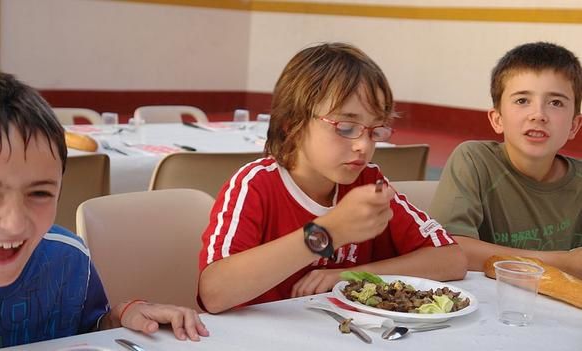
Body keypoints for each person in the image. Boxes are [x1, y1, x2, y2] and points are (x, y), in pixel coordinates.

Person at [198, 42, 467, 314]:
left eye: (375, 130)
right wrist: (326, 234)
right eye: (347, 127)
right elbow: (214, 292)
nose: (364, 145)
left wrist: (351, 275)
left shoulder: (368, 181)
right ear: (292, 124)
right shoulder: (255, 185)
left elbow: (451, 259)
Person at [0, 71, 209, 349]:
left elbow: (86, 329)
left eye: (39, 193)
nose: (15, 224)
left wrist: (118, 319)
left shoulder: (67, 261)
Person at [428, 42, 582, 278]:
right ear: (497, 118)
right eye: (522, 100)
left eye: (556, 103)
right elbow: (451, 250)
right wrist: (564, 263)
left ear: (574, 125)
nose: (538, 115)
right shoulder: (474, 160)